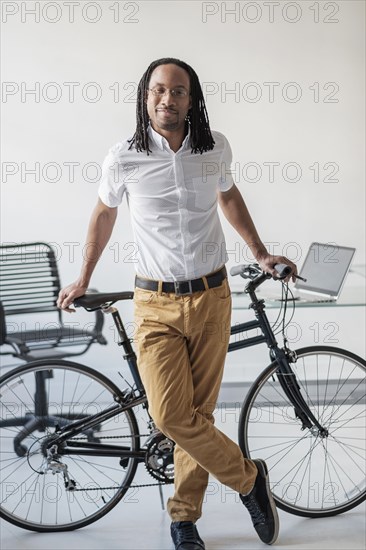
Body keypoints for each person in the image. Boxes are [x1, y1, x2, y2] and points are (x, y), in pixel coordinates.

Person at [57, 57, 297, 549]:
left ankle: (183, 518)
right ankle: (250, 480)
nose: (168, 100)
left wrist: (259, 252)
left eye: (179, 91)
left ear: (193, 98)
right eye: (158, 91)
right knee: (170, 415)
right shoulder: (123, 155)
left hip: (213, 297)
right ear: (145, 97)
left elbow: (229, 198)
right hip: (156, 303)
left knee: (198, 418)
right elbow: (103, 214)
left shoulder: (214, 147)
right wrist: (83, 277)